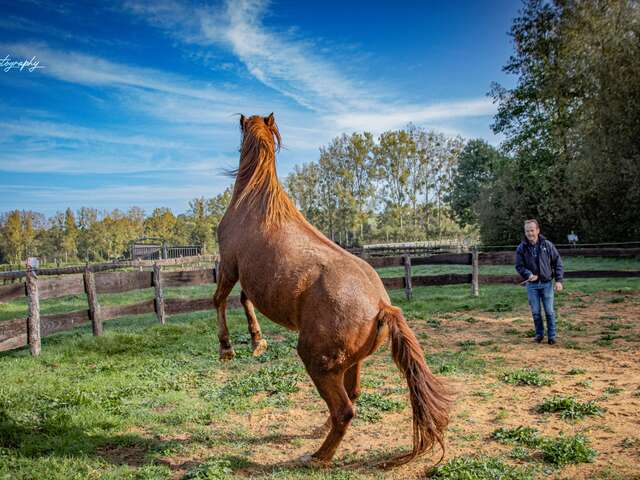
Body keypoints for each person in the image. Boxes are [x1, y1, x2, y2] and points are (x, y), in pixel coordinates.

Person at [515, 219, 564, 345]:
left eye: (532, 230)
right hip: (532, 286)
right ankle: (539, 335)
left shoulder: (547, 245)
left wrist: (558, 280)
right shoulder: (521, 248)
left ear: (537, 230)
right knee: (536, 312)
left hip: (547, 284)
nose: (530, 233)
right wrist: (528, 274)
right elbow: (519, 266)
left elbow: (557, 262)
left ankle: (552, 336)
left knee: (549, 311)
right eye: (527, 231)